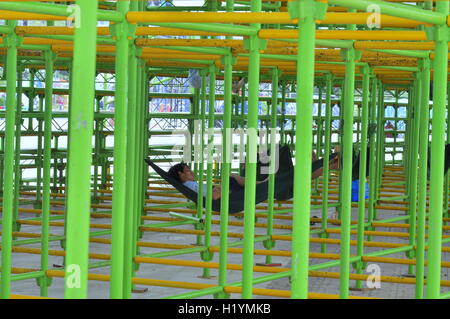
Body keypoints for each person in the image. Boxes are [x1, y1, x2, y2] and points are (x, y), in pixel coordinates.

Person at [168, 163, 268, 200]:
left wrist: (218, 188)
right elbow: (214, 196)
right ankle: (263, 183)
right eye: (188, 171)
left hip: (229, 195)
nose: (192, 172)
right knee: (232, 176)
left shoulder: (188, 186)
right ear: (181, 174)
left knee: (234, 178)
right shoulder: (190, 186)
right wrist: (220, 188)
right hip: (229, 197)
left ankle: (263, 184)